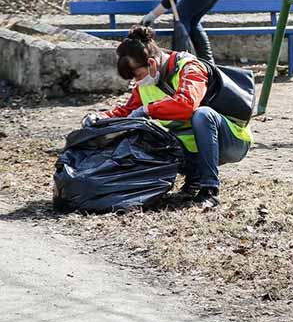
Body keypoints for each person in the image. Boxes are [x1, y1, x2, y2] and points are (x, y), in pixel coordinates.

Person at [82, 26, 252, 209]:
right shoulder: (146, 83)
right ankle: (193, 178)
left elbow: (187, 104)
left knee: (203, 115)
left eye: (137, 75)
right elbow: (127, 111)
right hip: (191, 144)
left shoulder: (190, 68)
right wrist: (99, 118)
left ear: (152, 63)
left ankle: (209, 190)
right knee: (150, 138)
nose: (136, 82)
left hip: (232, 140)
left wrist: (149, 110)